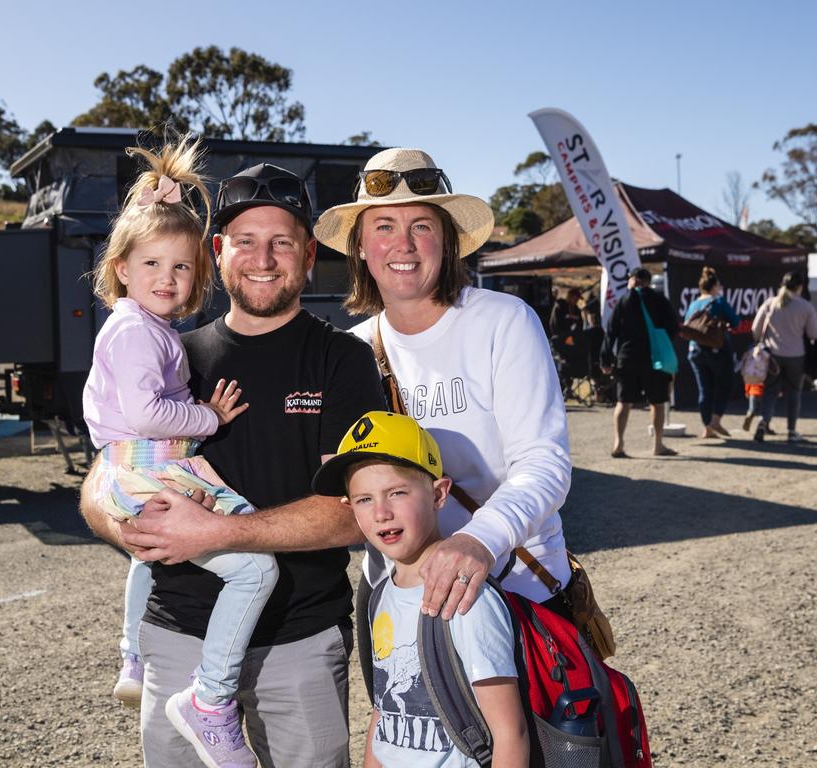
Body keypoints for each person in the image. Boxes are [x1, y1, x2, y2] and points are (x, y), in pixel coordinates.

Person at [80, 162, 385, 768]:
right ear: (217, 252)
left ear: (307, 253)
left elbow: (357, 514)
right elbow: (108, 472)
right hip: (177, 636)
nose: (262, 258)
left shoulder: (343, 359)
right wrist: (126, 527)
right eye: (244, 241)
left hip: (297, 638)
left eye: (281, 242)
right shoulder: (174, 351)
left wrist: (220, 532)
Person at [314, 147, 573, 624]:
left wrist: (477, 540)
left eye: (422, 226)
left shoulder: (503, 322)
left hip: (514, 589)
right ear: (360, 247)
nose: (403, 245)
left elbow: (544, 463)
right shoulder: (351, 350)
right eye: (384, 226)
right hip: (399, 601)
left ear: (447, 241)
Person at [82, 138, 276, 768]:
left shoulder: (142, 328)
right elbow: (144, 414)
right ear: (121, 270)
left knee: (147, 554)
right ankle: (212, 701)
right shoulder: (138, 331)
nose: (168, 279)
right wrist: (207, 417)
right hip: (147, 463)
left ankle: (132, 654)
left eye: (182, 267)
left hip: (128, 467)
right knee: (256, 567)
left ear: (199, 273)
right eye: (152, 265)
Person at [312, 411, 527, 768]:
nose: (381, 512)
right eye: (364, 499)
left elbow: (509, 732)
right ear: (350, 507)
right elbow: (383, 713)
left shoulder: (464, 599)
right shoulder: (379, 596)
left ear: (439, 494)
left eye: (396, 492)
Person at [600, 267, 681, 457]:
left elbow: (610, 331)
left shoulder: (624, 301)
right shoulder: (660, 300)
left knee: (623, 401)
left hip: (627, 358)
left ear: (633, 280)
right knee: (657, 402)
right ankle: (658, 445)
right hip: (655, 360)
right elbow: (674, 327)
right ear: (648, 281)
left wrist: (605, 358)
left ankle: (618, 443)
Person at [750, 271, 817, 443]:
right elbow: (814, 333)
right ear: (800, 287)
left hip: (772, 356)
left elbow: (755, 330)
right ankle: (791, 431)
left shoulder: (770, 303)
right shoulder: (805, 307)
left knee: (770, 391)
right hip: (796, 356)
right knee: (794, 393)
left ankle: (763, 421)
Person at [683, 266, 740, 438]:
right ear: (714, 286)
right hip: (716, 350)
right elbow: (736, 321)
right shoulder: (719, 302)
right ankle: (715, 420)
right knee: (725, 383)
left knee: (704, 389)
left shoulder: (693, 304)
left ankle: (707, 427)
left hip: (695, 350)